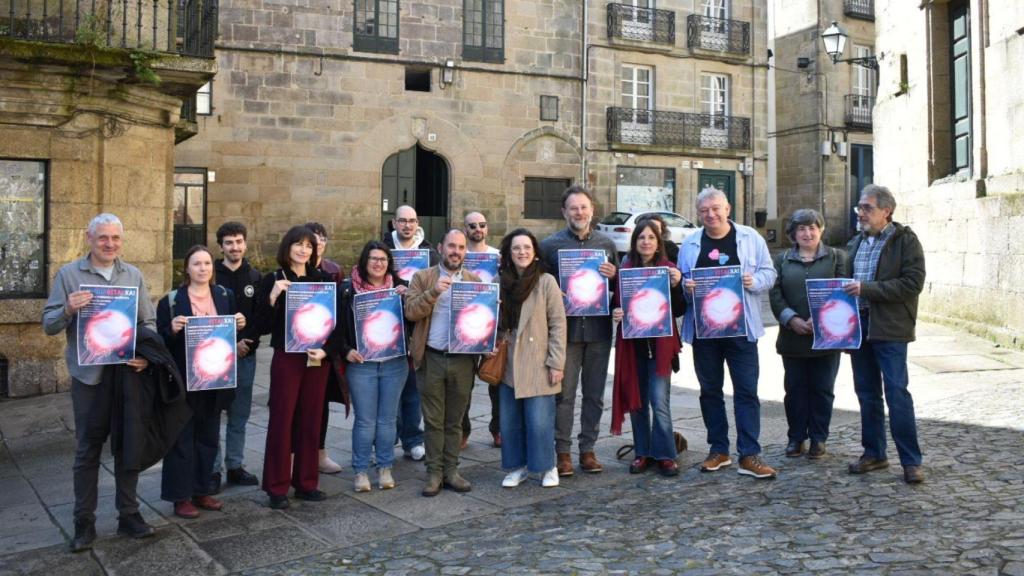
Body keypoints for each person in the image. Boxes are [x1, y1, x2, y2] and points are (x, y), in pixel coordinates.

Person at [42, 213, 157, 551]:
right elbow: (48, 324)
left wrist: (146, 356)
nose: (110, 244)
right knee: (88, 450)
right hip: (89, 378)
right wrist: (67, 308)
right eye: (103, 237)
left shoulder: (132, 274)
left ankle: (129, 514)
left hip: (125, 375)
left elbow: (147, 321)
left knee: (128, 445)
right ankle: (84, 522)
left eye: (115, 238)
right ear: (89, 238)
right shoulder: (69, 275)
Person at [679, 188, 779, 479]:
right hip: (704, 331)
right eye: (704, 210)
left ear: (728, 209)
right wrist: (686, 287)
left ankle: (749, 455)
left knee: (746, 392)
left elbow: (769, 274)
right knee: (710, 393)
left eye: (716, 208)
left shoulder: (750, 237)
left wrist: (753, 280)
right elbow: (683, 284)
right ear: (698, 214)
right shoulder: (690, 243)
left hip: (741, 330)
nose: (711, 214)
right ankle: (718, 451)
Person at [843, 185, 926, 484]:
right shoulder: (856, 243)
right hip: (859, 328)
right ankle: (874, 453)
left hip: (890, 328)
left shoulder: (905, 241)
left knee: (897, 393)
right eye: (859, 208)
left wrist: (868, 290)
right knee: (867, 394)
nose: (861, 213)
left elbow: (912, 284)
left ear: (886, 211)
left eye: (867, 208)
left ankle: (911, 461)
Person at [157, 245, 246, 518]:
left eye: (207, 263)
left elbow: (228, 336)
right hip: (184, 380)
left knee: (208, 438)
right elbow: (159, 341)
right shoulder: (171, 301)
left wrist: (240, 324)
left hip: (215, 378)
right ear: (187, 268)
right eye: (197, 264)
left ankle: (202, 490)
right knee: (181, 439)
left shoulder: (224, 295)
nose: (203, 268)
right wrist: (170, 329)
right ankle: (180, 496)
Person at [254, 225, 336, 509]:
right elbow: (261, 326)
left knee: (311, 420)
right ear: (287, 247)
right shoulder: (273, 279)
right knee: (282, 419)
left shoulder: (323, 280)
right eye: (298, 244)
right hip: (287, 357)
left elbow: (335, 325)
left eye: (309, 245)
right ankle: (276, 486)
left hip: (316, 358)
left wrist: (326, 350)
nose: (303, 250)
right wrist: (273, 297)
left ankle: (306, 482)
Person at [539, 185, 618, 476]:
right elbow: (541, 289)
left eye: (584, 207)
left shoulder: (606, 245)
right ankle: (563, 452)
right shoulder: (549, 246)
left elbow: (619, 289)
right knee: (565, 395)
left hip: (598, 330)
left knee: (595, 394)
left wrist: (614, 277)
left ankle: (588, 449)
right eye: (573, 208)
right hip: (567, 333)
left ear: (592, 210)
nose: (579, 213)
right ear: (564, 212)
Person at [405, 229, 483, 496]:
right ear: (440, 247)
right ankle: (433, 473)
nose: (456, 252)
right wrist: (433, 293)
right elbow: (411, 312)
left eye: (461, 248)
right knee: (433, 420)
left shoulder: (474, 281)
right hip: (432, 358)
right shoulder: (423, 277)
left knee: (455, 420)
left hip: (462, 360)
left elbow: (482, 321)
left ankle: (452, 470)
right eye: (452, 246)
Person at [769, 209, 849, 460]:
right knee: (795, 390)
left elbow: (842, 291)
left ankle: (818, 438)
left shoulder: (837, 258)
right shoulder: (782, 260)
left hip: (826, 337)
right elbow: (775, 293)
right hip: (793, 337)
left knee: (823, 389)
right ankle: (796, 438)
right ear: (793, 234)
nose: (807, 233)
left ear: (821, 230)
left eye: (813, 227)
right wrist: (790, 318)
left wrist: (821, 320)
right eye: (801, 229)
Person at [611, 221, 685, 477]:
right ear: (635, 242)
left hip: (661, 349)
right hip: (634, 348)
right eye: (641, 237)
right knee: (637, 402)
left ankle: (665, 454)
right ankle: (642, 452)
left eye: (651, 237)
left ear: (658, 242)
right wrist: (617, 311)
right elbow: (617, 303)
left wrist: (677, 285)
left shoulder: (669, 270)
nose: (646, 241)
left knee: (659, 402)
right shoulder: (626, 270)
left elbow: (680, 308)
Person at [495, 229, 566, 488]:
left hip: (539, 360)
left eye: (526, 247)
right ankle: (517, 467)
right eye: (516, 248)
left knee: (539, 420)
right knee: (510, 421)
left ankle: (547, 466)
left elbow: (558, 324)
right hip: (509, 360)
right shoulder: (499, 280)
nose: (522, 252)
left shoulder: (546, 282)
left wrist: (556, 362)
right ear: (509, 253)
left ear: (535, 252)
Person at [337, 241, 410, 492]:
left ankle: (385, 467)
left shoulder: (402, 288)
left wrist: (408, 300)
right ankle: (360, 471)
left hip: (394, 364)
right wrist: (346, 351)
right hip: (363, 364)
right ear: (364, 261)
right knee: (365, 421)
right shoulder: (348, 290)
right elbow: (336, 328)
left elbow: (413, 322)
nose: (378, 263)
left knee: (388, 420)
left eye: (383, 259)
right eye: (373, 258)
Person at [383, 205, 437, 462]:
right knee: (390, 389)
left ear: (418, 223)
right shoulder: (381, 248)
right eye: (402, 221)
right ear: (394, 222)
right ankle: (385, 441)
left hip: (418, 326)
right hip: (388, 324)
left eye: (412, 221)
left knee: (413, 388)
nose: (407, 225)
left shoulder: (429, 252)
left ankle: (413, 439)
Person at [211, 222, 262, 488]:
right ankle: (212, 469)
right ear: (221, 246)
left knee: (239, 414)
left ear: (245, 243)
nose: (235, 247)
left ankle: (235, 465)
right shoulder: (211, 276)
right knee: (212, 414)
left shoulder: (254, 277)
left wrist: (246, 343)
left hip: (245, 356)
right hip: (215, 357)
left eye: (239, 241)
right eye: (229, 242)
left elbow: (259, 317)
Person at [306, 221, 346, 474]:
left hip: (326, 348)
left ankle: (320, 454)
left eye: (322, 238)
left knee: (321, 403)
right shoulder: (292, 270)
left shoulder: (333, 270)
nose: (318, 242)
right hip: (298, 346)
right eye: (312, 238)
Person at [461, 211, 502, 449]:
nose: (478, 229)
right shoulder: (459, 254)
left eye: (482, 225)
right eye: (472, 225)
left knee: (496, 381)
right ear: (465, 229)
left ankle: (498, 429)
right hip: (466, 324)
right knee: (464, 383)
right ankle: (463, 431)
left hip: (494, 324)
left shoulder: (498, 256)